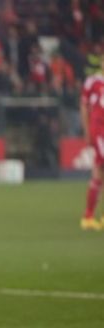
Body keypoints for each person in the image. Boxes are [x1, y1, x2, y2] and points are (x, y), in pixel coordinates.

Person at [80, 56, 104, 230]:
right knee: (99, 170)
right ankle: (88, 217)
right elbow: (83, 106)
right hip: (100, 130)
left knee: (98, 172)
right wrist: (87, 130)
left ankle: (89, 216)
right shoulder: (94, 81)